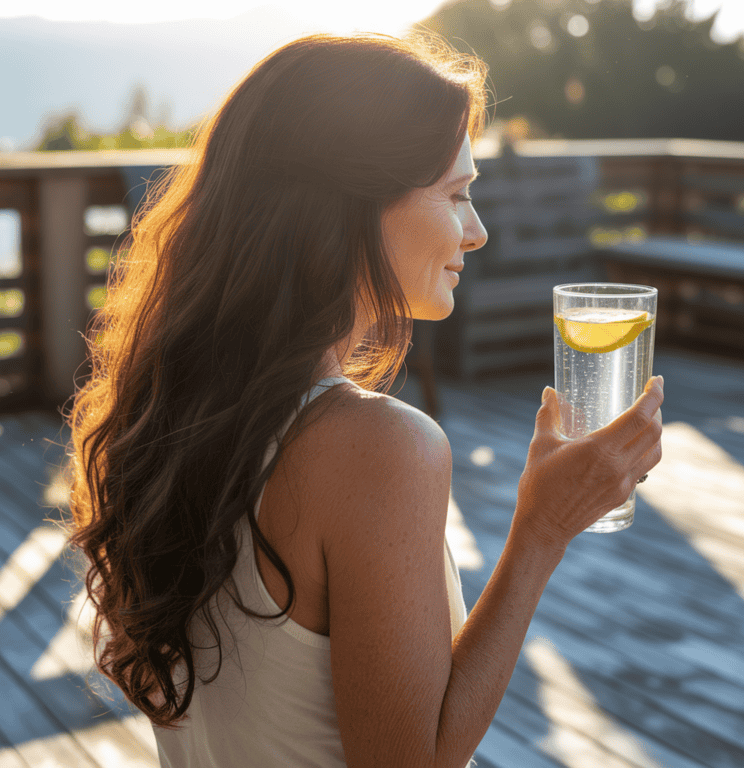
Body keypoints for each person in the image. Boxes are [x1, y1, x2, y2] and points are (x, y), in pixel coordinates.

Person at [65, 31, 664, 768]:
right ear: (353, 207)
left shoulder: (179, 412)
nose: (477, 231)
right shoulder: (380, 447)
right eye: (455, 194)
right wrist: (542, 531)